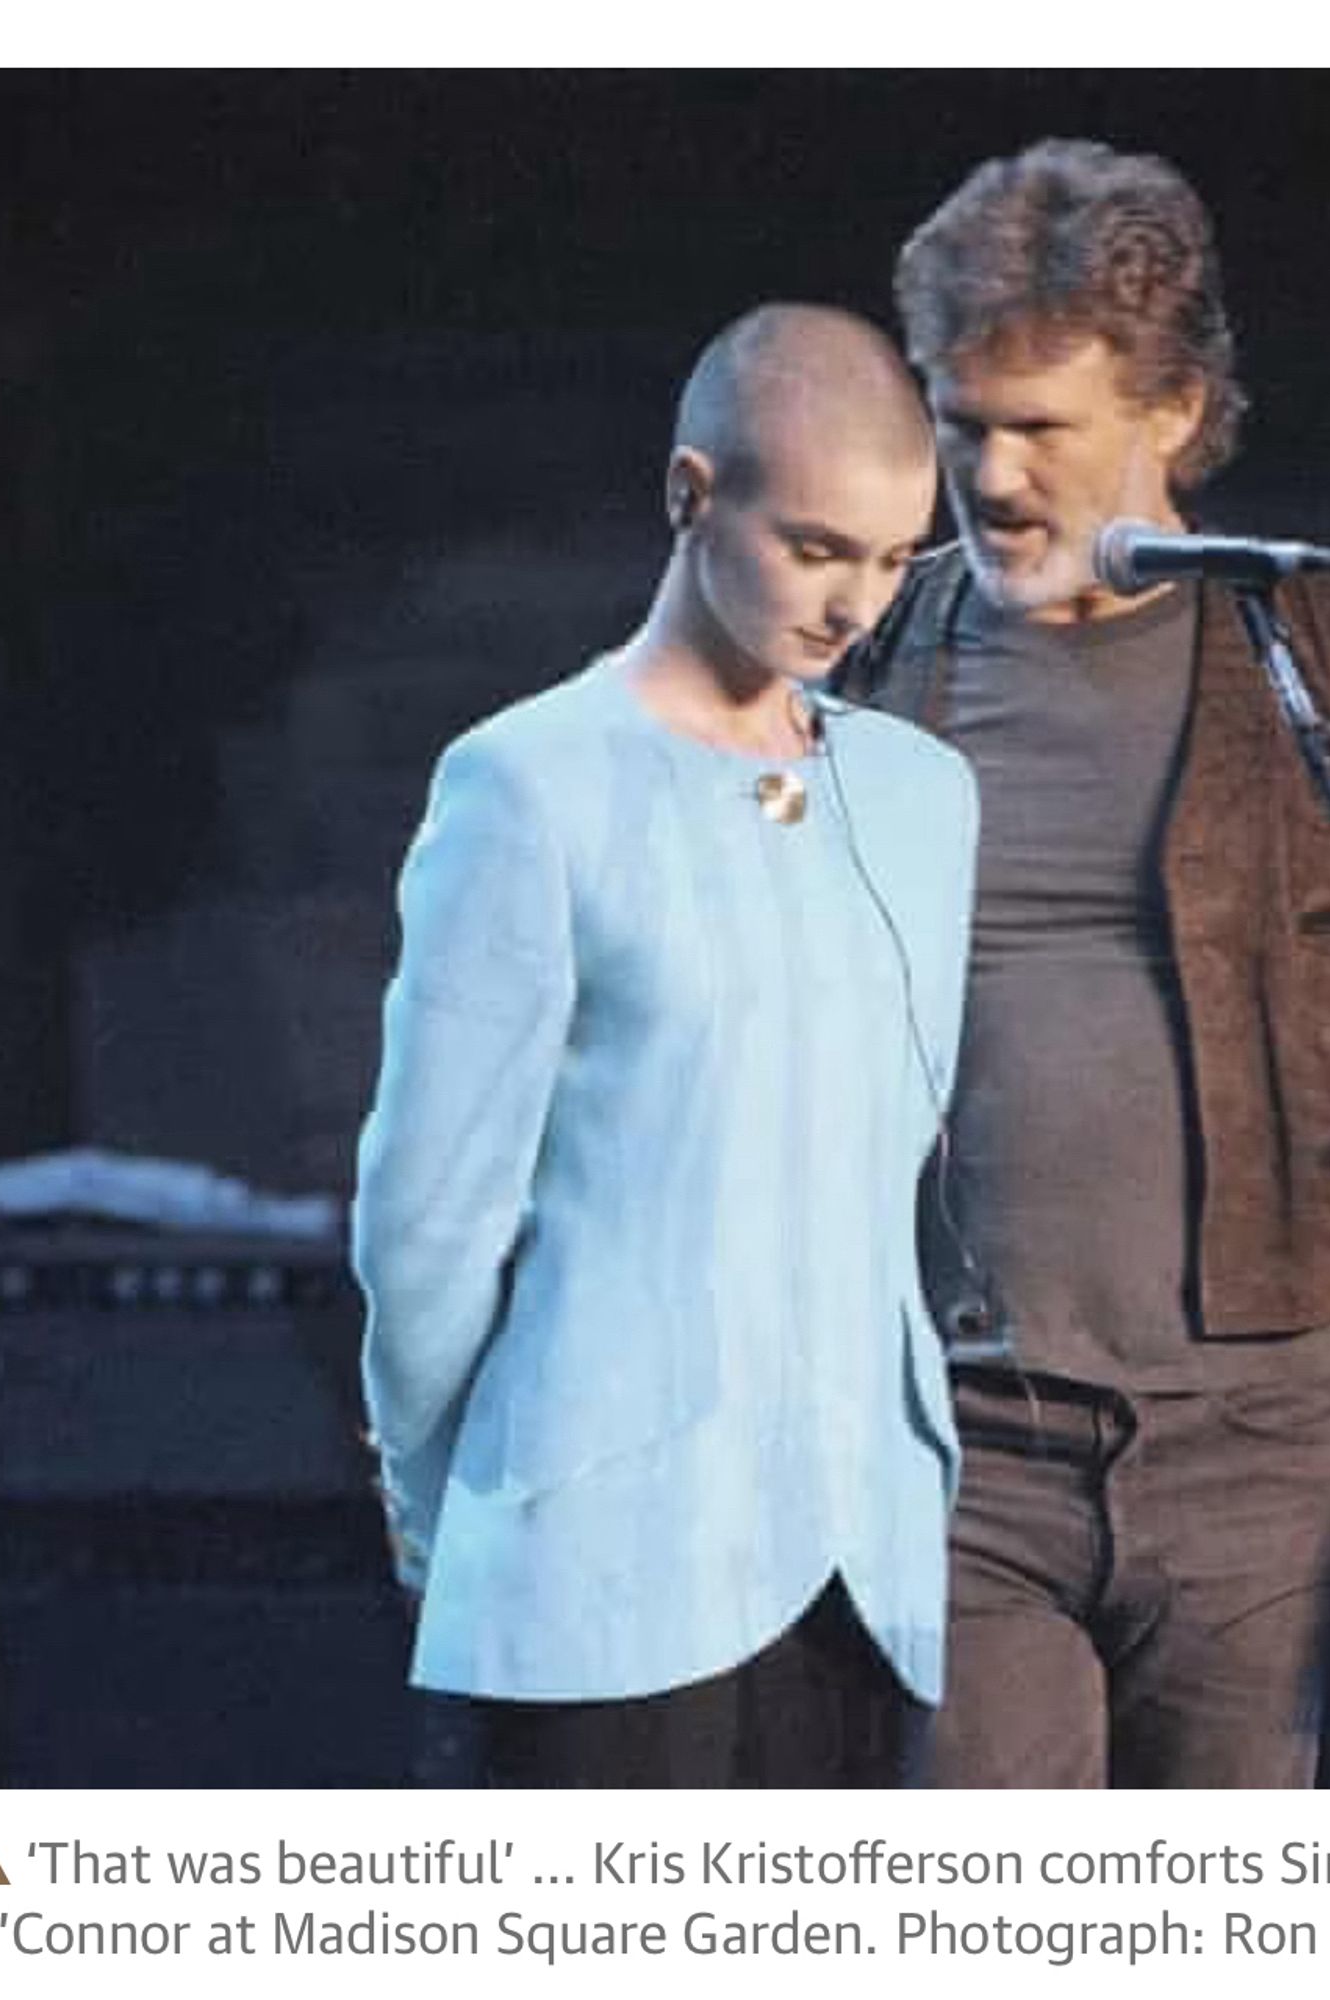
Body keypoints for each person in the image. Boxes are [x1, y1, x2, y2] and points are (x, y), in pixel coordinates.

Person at [835, 139, 1330, 1788]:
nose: (994, 477)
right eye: (961, 425)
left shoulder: (1322, 641)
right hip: (954, 1430)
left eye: (1042, 431)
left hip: (1252, 1442)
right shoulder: (877, 656)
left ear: (1169, 415)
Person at [352, 303, 978, 1788]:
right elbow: (431, 1213)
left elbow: (907, 1160)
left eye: (894, 560)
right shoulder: (529, 782)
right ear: (694, 494)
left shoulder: (921, 798)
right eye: (818, 548)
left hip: (861, 1564)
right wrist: (439, 1502)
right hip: (597, 1560)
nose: (856, 607)